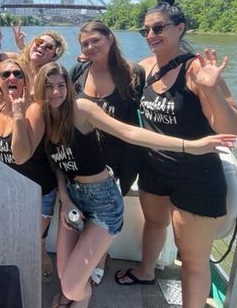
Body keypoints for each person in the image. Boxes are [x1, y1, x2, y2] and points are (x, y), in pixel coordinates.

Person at [11, 63, 237, 308]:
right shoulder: (43, 117)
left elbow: (128, 132)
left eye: (60, 86)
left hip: (103, 202)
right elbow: (41, 161)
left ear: (68, 86)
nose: (55, 93)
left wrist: (189, 146)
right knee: (65, 277)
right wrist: (18, 117)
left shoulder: (80, 109)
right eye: (48, 87)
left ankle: (81, 297)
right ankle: (78, 295)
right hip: (73, 199)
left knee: (71, 286)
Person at [114, 0, 237, 308]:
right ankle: (145, 271)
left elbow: (230, 129)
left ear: (179, 28)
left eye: (159, 28)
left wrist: (212, 88)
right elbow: (111, 80)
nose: (151, 35)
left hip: (197, 174)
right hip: (154, 169)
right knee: (154, 224)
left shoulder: (198, 70)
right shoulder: (145, 67)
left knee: (192, 260)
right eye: (146, 30)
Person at [70, 20, 145, 284]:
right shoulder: (79, 69)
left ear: (110, 38)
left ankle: (100, 256)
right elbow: (58, 99)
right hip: (81, 162)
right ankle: (87, 261)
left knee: (104, 217)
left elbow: (137, 122)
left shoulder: (133, 73)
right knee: (82, 215)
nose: (90, 47)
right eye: (85, 44)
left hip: (117, 163)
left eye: (95, 41)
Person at [0, 59, 58, 282]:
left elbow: (21, 156)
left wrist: (18, 114)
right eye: (5, 74)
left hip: (38, 191)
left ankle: (40, 254)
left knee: (28, 242)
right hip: (11, 191)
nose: (12, 78)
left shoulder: (35, 109)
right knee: (15, 241)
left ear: (26, 81)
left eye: (18, 74)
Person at [18, 31, 66, 95]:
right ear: (32, 44)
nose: (42, 46)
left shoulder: (48, 80)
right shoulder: (16, 67)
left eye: (49, 47)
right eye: (39, 41)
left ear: (54, 56)